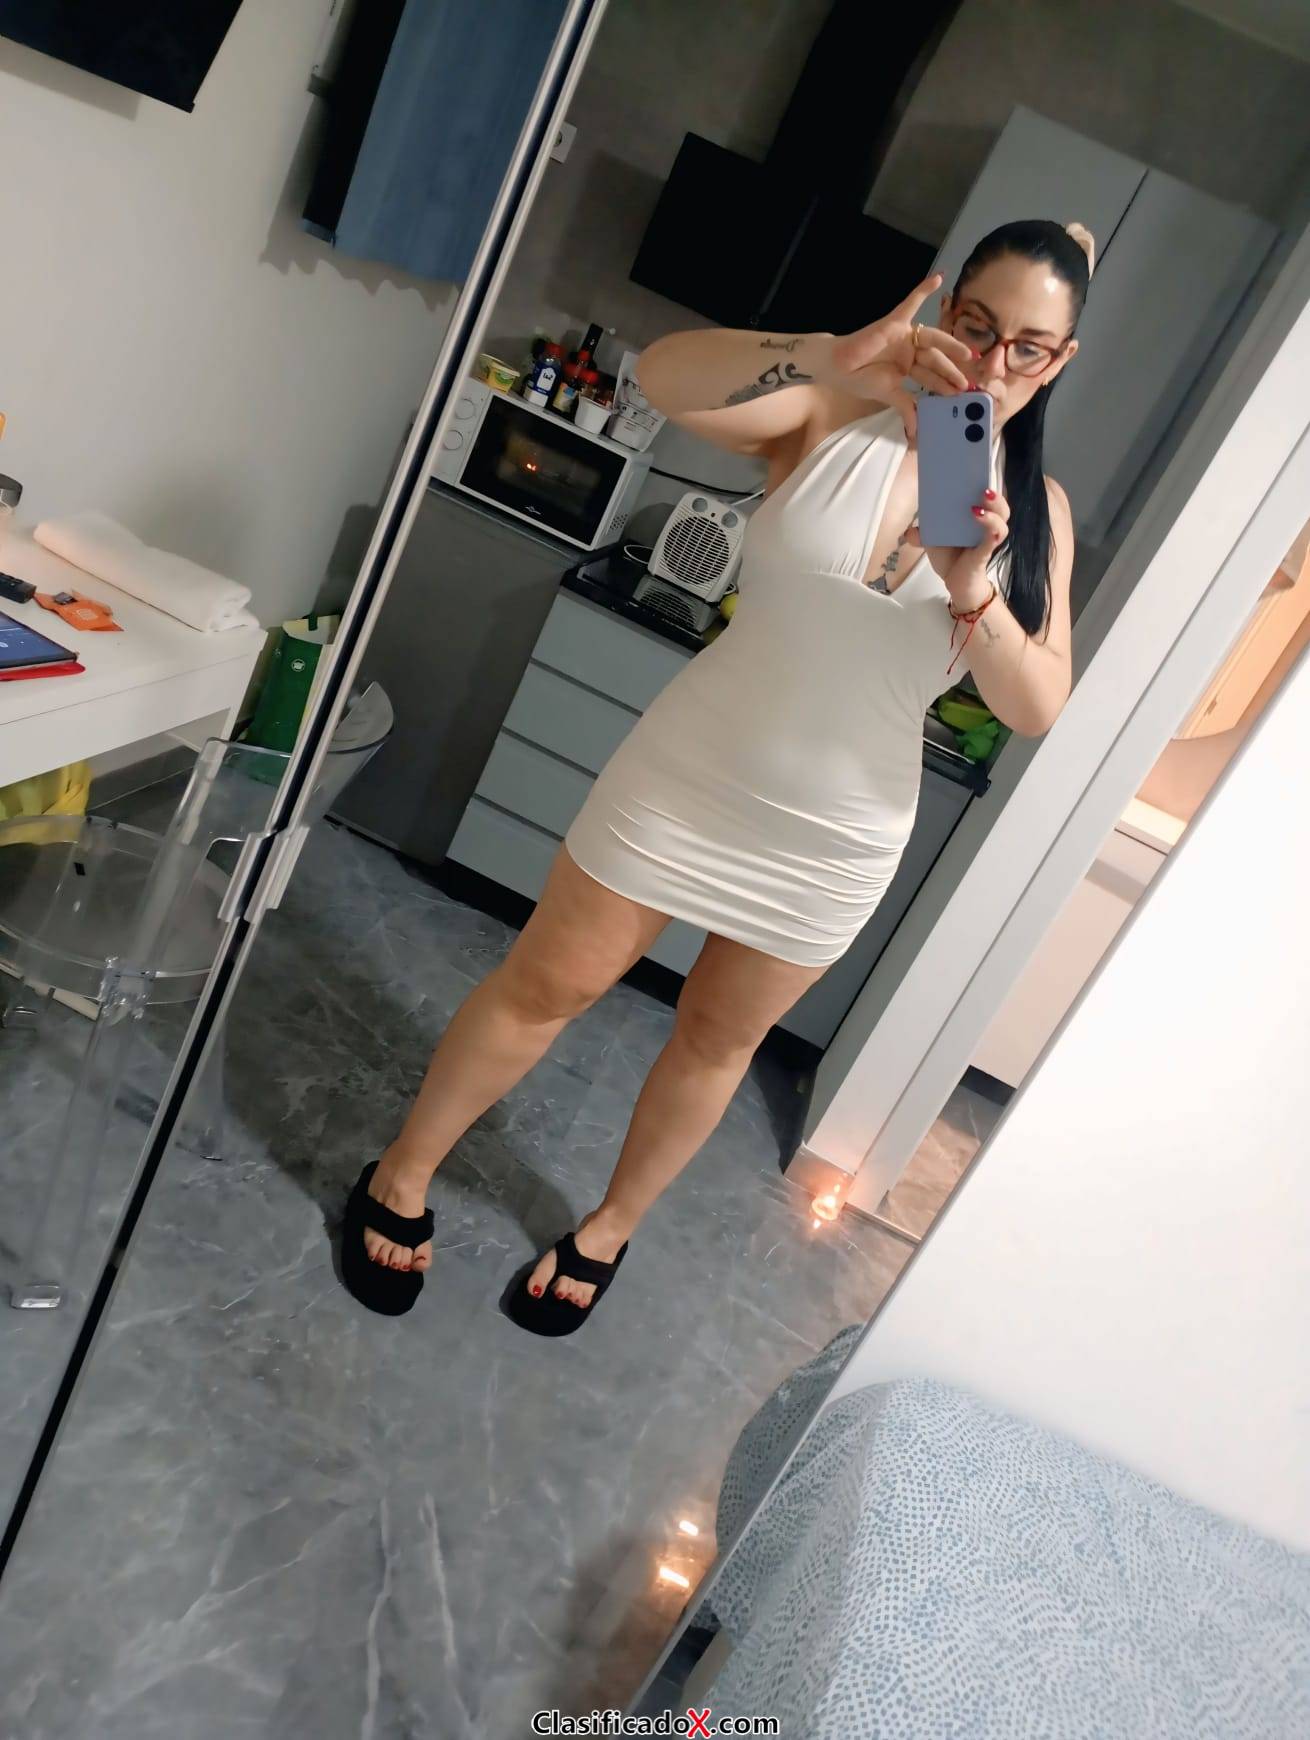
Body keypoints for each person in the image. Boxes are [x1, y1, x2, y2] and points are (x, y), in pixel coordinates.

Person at [340, 217, 1091, 1325]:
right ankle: (400, 1175)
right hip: (690, 770)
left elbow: (1036, 707)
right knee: (547, 984)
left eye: (1026, 348)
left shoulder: (1037, 515)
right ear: (943, 311)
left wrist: (972, 584)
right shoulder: (835, 410)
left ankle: (608, 1230)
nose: (990, 363)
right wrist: (829, 353)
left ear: (1058, 362)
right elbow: (662, 377)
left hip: (835, 838)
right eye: (976, 326)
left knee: (716, 1039)